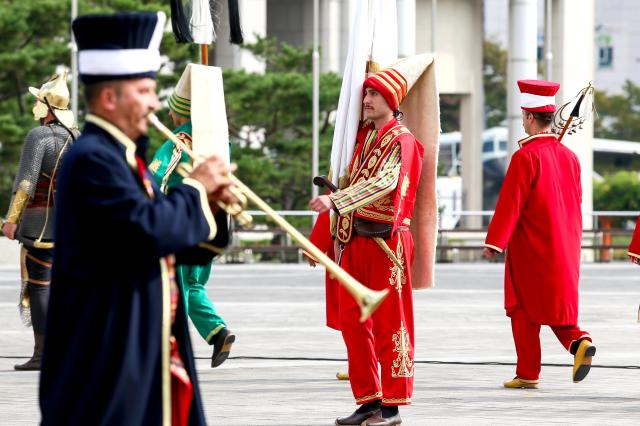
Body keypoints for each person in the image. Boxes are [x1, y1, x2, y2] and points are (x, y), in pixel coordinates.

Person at [39, 12, 238, 425]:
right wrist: (197, 189)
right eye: (144, 90)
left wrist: (214, 206)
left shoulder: (125, 157)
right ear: (110, 98)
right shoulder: (92, 159)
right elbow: (146, 229)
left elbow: (168, 238)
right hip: (107, 356)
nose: (153, 103)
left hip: (142, 346)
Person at [309, 54, 436, 426]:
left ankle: (392, 407)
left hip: (387, 244)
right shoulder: (364, 141)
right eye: (365, 93)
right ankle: (368, 401)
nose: (366, 100)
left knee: (389, 323)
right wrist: (323, 236)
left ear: (392, 102)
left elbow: (385, 184)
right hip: (357, 241)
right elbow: (349, 181)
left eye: (375, 95)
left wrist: (338, 199)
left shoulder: (403, 141)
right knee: (353, 322)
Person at [483, 79, 596, 389]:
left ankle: (529, 372)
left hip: (532, 245)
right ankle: (578, 341)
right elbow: (577, 200)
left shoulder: (525, 157)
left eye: (523, 116)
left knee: (521, 306)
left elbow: (510, 204)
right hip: (565, 243)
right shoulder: (569, 156)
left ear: (530, 118)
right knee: (554, 304)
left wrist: (495, 241)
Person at [149, 63, 235, 368]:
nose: (170, 116)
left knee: (175, 287)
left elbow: (153, 177)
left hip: (183, 224)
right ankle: (217, 332)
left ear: (181, 113)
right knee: (193, 284)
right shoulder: (221, 142)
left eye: (173, 110)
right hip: (215, 225)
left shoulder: (178, 140)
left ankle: (173, 347)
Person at [1, 72, 78, 371]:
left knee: (41, 287)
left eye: (37, 101)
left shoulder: (39, 136)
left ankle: (43, 354)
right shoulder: (78, 136)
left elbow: (26, 184)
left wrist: (11, 220)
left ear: (47, 107)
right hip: (71, 227)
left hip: (40, 224)